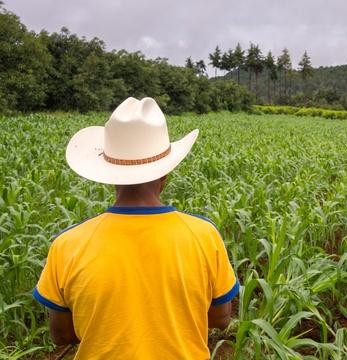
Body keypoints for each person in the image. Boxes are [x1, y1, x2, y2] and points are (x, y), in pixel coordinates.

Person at [33, 97, 239, 359]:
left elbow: (61, 334)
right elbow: (221, 318)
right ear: (165, 174)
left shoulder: (67, 244)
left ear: (110, 175)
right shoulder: (204, 235)